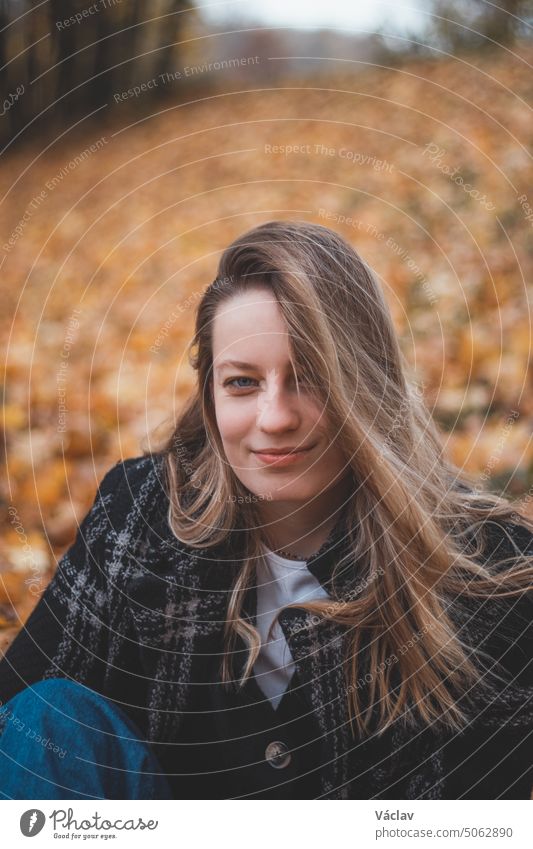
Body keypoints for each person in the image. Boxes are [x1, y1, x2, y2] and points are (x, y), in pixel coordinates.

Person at [1, 219, 533, 800]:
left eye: (310, 377)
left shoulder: (487, 571)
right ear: (209, 394)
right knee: (51, 717)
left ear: (368, 383)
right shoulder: (137, 516)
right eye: (242, 383)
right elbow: (21, 728)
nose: (275, 418)